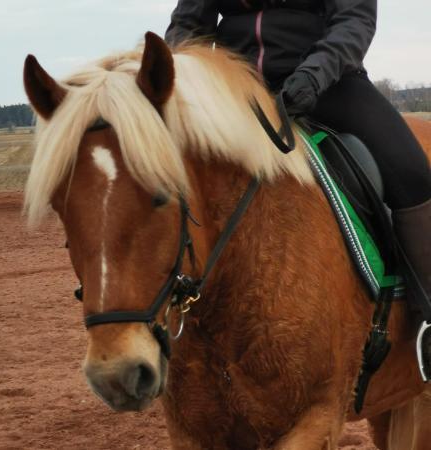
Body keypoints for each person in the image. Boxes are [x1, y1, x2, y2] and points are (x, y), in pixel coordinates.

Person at [165, 0, 431, 377]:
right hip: (231, 87)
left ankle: (426, 317)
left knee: (412, 173)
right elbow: (187, 26)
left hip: (329, 82)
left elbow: (354, 20)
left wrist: (313, 75)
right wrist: (177, 77)